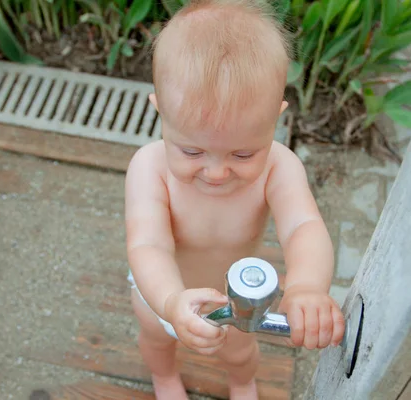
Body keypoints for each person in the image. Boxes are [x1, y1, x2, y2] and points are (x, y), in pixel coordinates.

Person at [124, 0, 345, 398]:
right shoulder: (149, 168)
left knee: (241, 354)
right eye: (192, 151)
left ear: (275, 119)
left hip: (238, 297)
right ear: (160, 113)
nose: (216, 172)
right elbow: (148, 244)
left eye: (243, 154)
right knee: (157, 340)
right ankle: (165, 378)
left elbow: (303, 227)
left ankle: (242, 382)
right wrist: (171, 301)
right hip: (162, 289)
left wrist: (307, 286)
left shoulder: (280, 167)